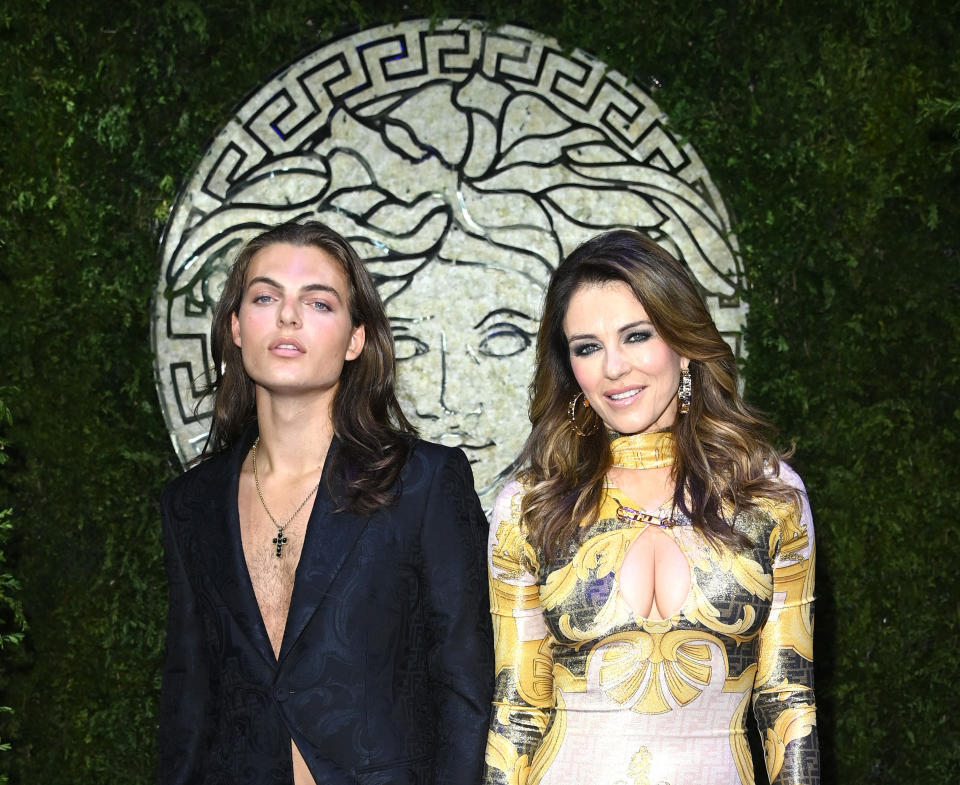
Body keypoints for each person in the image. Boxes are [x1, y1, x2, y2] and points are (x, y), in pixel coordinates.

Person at [158, 220, 493, 785]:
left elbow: (467, 684)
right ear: (236, 327)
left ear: (356, 339)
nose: (288, 317)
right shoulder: (191, 502)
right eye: (266, 297)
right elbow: (187, 704)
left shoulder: (425, 481)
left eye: (318, 303)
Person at [482, 230, 818, 785]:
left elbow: (788, 701)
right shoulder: (530, 506)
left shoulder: (768, 495)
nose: (613, 367)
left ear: (683, 345)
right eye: (587, 347)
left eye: (636, 336)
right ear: (570, 368)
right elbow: (517, 713)